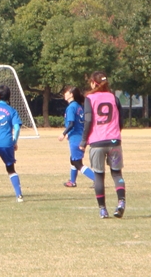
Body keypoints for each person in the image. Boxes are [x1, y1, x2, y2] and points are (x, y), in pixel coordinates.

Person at [79, 71, 126, 219]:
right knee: (117, 173)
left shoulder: (89, 98)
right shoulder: (114, 97)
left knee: (99, 176)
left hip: (97, 142)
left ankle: (103, 209)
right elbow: (121, 121)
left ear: (94, 83)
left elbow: (88, 121)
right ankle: (121, 203)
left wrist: (83, 141)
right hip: (114, 142)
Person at [58, 86, 95, 187]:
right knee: (73, 159)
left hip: (76, 138)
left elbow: (71, 123)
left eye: (66, 92)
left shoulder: (71, 107)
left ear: (71, 94)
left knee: (77, 162)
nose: (65, 94)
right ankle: (72, 181)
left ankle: (96, 179)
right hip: (80, 136)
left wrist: (64, 133)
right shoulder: (78, 106)